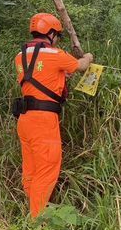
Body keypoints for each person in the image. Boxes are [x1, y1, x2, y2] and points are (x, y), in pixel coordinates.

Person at [14, 13, 93, 218]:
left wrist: (59, 75)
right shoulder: (55, 55)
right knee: (46, 170)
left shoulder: (20, 57)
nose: (57, 39)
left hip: (25, 118)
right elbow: (81, 65)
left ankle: (30, 215)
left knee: (31, 170)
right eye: (57, 35)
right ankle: (38, 227)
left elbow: (40, 78)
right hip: (43, 120)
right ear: (49, 33)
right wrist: (88, 57)